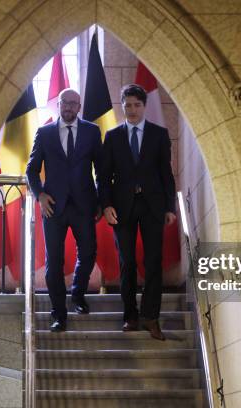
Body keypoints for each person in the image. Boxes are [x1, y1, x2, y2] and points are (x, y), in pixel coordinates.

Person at [99, 84, 176, 341]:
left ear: (144, 106)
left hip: (153, 206)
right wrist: (106, 205)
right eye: (128, 105)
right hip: (122, 208)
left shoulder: (159, 134)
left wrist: (169, 208)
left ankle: (151, 318)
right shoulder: (112, 137)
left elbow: (166, 174)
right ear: (122, 107)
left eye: (137, 105)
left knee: (153, 262)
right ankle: (131, 316)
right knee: (127, 262)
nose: (132, 110)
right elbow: (103, 176)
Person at [26, 88, 102, 332]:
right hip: (53, 207)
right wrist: (40, 195)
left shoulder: (92, 131)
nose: (68, 106)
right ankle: (58, 313)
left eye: (73, 103)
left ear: (79, 107)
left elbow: (100, 170)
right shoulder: (45, 133)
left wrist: (100, 201)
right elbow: (31, 170)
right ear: (58, 105)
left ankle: (78, 294)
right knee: (54, 263)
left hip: (84, 205)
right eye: (64, 102)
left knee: (89, 252)